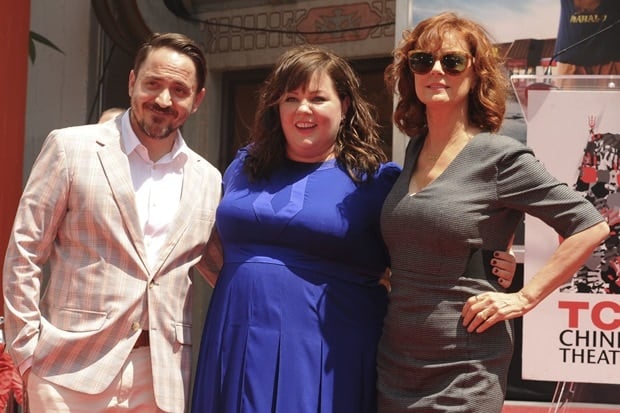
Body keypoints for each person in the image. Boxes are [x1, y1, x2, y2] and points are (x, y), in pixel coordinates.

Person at [190, 44, 516, 413]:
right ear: (275, 107)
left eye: (317, 98)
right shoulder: (242, 167)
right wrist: (252, 291)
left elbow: (432, 236)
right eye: (290, 99)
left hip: (328, 346)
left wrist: (489, 259)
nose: (303, 109)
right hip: (236, 335)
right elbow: (202, 241)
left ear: (344, 106)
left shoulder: (377, 183)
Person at [376, 12, 610, 413]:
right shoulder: (414, 150)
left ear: (475, 74)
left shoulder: (498, 156)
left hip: (464, 365)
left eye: (451, 61)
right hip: (396, 362)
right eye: (422, 60)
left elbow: (590, 225)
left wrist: (523, 297)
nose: (436, 71)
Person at [2, 32, 221, 412]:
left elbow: (223, 268)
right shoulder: (71, 148)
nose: (164, 100)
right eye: (153, 84)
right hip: (66, 373)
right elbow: (25, 251)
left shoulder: (209, 179)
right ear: (133, 82)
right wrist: (27, 354)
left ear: (198, 99)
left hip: (159, 380)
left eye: (179, 90)